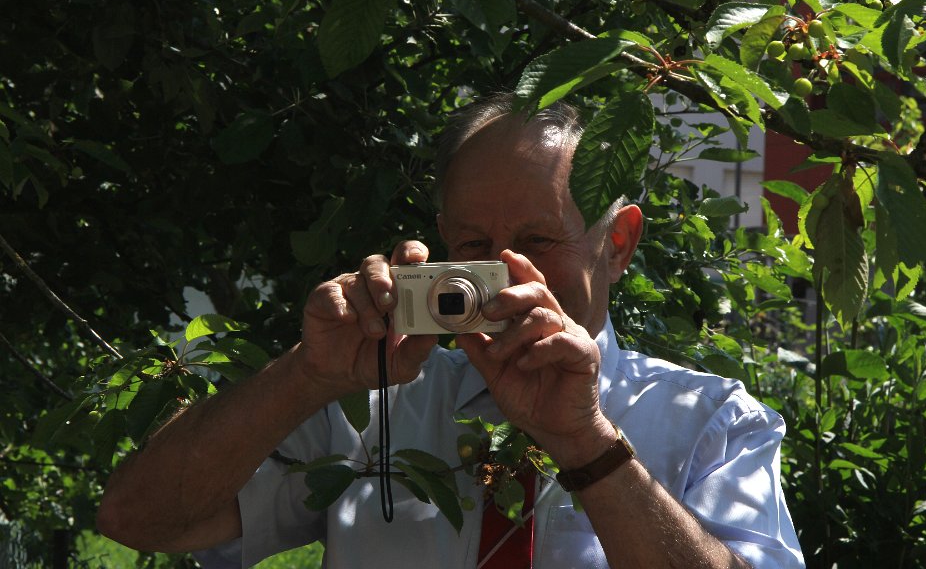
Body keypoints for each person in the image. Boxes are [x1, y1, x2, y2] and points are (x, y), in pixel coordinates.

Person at [97, 94, 805, 568]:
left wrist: (587, 443)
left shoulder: (709, 421)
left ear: (617, 243)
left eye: (538, 238)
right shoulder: (372, 402)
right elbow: (137, 519)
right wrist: (305, 376)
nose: (508, 270)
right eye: (473, 244)